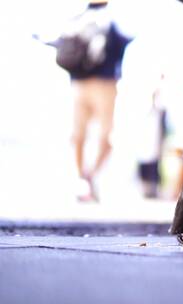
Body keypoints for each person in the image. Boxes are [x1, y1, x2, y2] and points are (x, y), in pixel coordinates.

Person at [57, 0, 131, 201]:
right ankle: (89, 177)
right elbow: (126, 39)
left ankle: (83, 179)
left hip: (79, 83)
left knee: (79, 135)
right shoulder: (115, 17)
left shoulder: (76, 17)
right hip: (104, 84)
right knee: (105, 136)